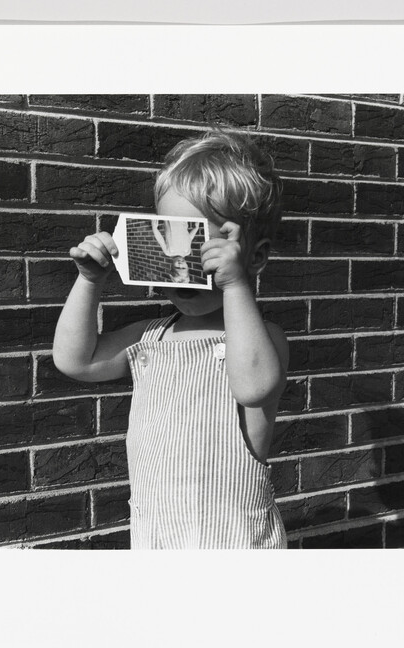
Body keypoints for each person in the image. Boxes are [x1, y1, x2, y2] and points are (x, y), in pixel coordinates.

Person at [52, 129, 287, 549]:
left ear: (256, 256)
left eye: (205, 242)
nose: (185, 258)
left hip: (235, 539)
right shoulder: (152, 337)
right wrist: (90, 281)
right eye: (170, 238)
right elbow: (76, 360)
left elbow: (253, 388)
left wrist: (234, 285)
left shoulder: (260, 339)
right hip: (158, 537)